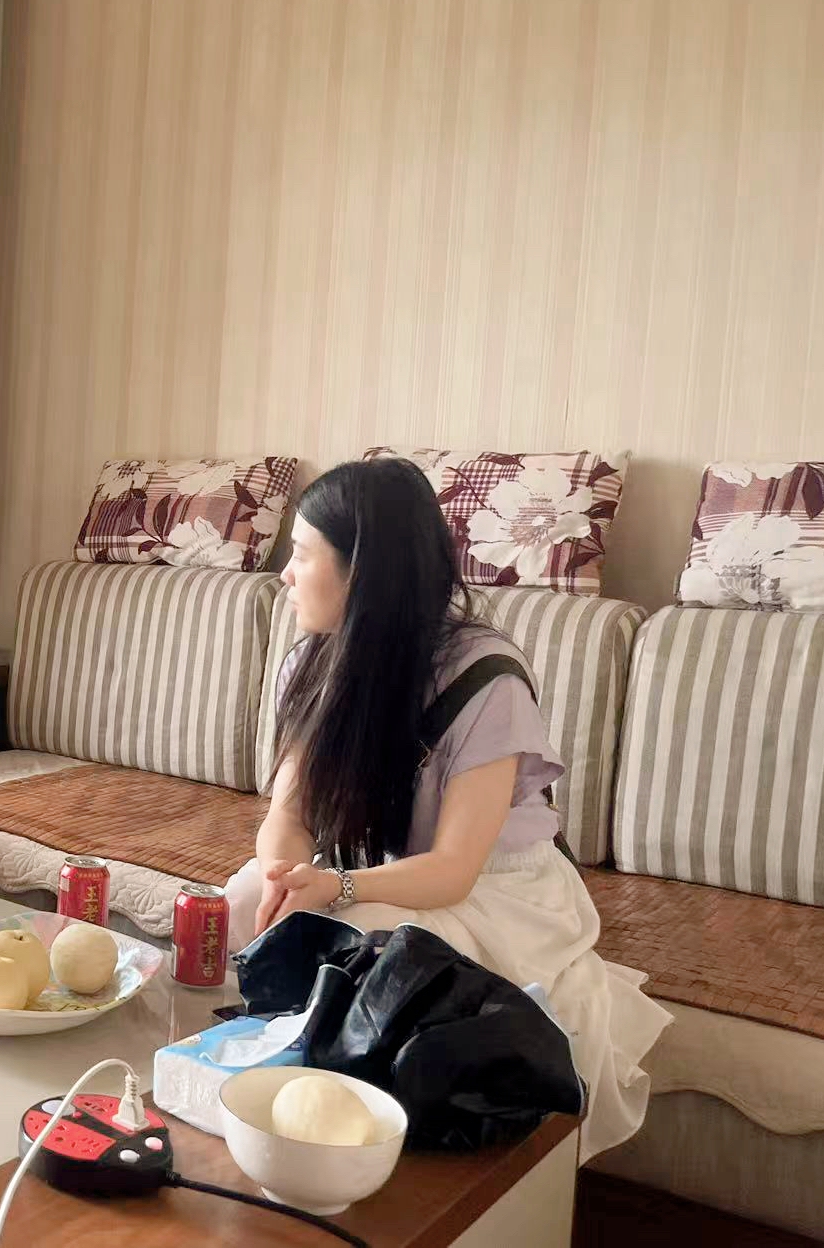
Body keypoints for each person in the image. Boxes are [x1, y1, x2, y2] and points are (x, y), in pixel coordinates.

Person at [224, 458, 670, 1163]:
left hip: (495, 889)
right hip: (379, 868)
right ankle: (268, 1109)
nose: (285, 574)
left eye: (302, 554)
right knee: (246, 901)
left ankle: (353, 1141)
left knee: (374, 945)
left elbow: (455, 870)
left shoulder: (486, 681)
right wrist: (285, 878)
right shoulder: (311, 665)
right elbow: (290, 812)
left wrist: (334, 888)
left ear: (362, 571)